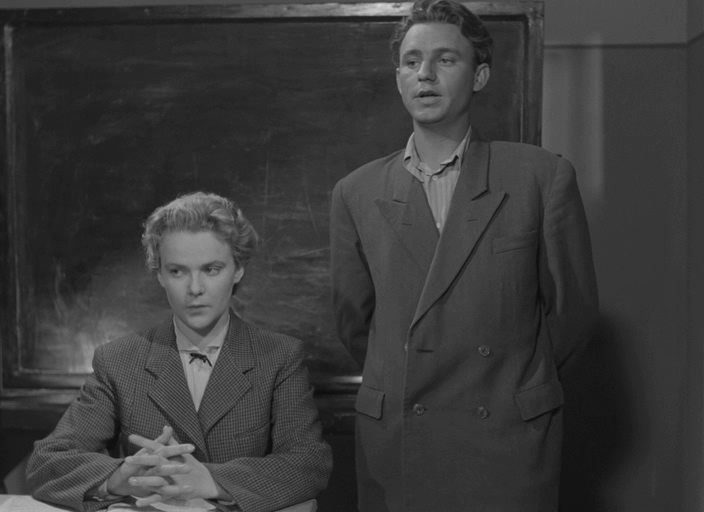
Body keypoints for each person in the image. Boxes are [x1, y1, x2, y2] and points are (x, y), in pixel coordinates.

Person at [329, 1, 599, 510]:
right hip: (402, 442)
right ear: (398, 78)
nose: (425, 74)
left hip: (507, 439)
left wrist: (510, 386)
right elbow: (355, 323)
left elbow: (573, 315)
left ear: (480, 76)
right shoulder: (356, 192)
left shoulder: (540, 177)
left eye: (445, 59)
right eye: (411, 62)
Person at [27, 191, 332, 512]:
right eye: (177, 271)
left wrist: (210, 480)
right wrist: (120, 478)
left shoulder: (279, 356)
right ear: (159, 274)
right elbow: (47, 461)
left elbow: (308, 463)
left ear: (238, 269)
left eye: (211, 269)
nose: (195, 288)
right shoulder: (119, 360)